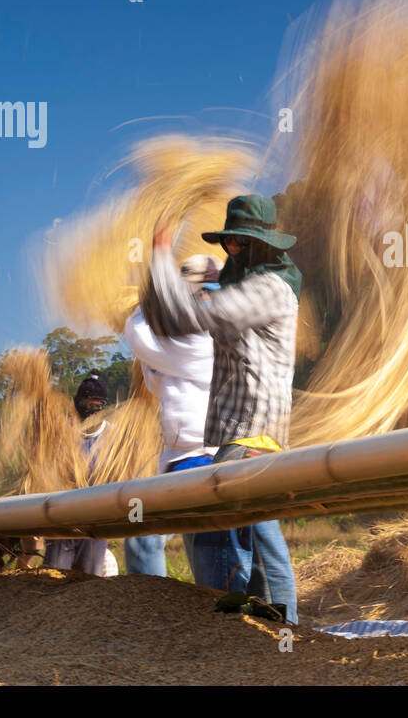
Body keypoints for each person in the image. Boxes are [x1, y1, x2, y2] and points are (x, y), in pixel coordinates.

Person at [143, 194, 300, 623]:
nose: (231, 251)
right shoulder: (246, 282)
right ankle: (275, 632)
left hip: (257, 433)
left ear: (264, 245)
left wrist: (160, 256)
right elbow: (174, 319)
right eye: (228, 242)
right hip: (245, 432)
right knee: (260, 535)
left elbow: (191, 319)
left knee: (215, 523)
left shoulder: (268, 289)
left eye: (241, 243)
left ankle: (228, 627)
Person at [120, 254, 221, 577]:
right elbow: (157, 381)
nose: (203, 298)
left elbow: (141, 340)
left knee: (201, 549)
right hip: (186, 458)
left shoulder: (203, 337)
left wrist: (139, 307)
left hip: (204, 458)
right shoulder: (183, 339)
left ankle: (161, 613)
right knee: (201, 546)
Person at [41, 373, 112, 576]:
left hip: (96, 519)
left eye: (97, 404)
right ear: (77, 403)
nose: (92, 408)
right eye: (87, 403)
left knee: (88, 580)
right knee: (54, 576)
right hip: (63, 517)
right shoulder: (61, 433)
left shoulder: (112, 436)